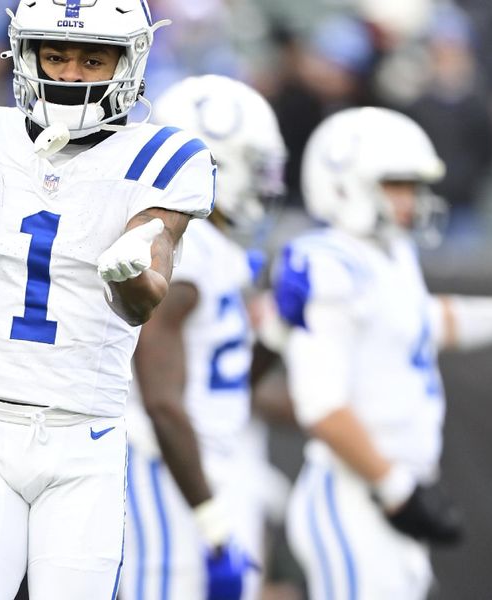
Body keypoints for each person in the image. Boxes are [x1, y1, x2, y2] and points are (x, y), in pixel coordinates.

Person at [0, 0, 216, 598]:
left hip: (87, 443)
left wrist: (127, 277)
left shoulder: (166, 157)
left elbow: (144, 300)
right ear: (27, 54)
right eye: (55, 54)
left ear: (127, 62)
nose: (70, 74)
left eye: (90, 58)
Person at [272, 106, 492, 599]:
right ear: (344, 182)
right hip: (360, 495)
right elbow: (321, 406)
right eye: (398, 184)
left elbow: (421, 321)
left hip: (390, 491)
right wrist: (396, 489)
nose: (411, 200)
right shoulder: (329, 261)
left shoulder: (390, 254)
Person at [119, 75, 289, 600]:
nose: (265, 185)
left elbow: (228, 382)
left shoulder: (216, 252)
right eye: (255, 167)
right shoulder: (180, 252)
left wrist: (280, 326)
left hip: (207, 465)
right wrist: (210, 518)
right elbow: (162, 403)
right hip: (163, 469)